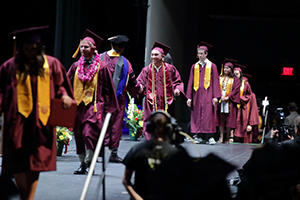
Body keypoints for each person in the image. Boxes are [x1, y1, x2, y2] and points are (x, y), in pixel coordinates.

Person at [0, 26, 74, 200]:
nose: (30, 52)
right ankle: (26, 196)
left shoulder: (52, 64)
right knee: (17, 161)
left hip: (41, 122)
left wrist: (64, 96)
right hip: (16, 123)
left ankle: (28, 197)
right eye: (26, 48)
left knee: (36, 162)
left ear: (39, 47)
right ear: (20, 48)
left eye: (34, 48)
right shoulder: (9, 67)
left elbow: (61, 86)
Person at [67, 29, 117, 174]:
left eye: (86, 47)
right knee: (78, 134)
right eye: (81, 47)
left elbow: (108, 88)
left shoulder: (102, 67)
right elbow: (66, 84)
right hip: (78, 106)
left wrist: (108, 108)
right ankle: (82, 163)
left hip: (95, 106)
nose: (83, 49)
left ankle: (89, 162)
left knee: (89, 133)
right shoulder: (76, 67)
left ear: (94, 49)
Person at [237, 116, 300, 199]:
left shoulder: (288, 146)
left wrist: (271, 139)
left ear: (297, 130)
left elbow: (272, 155)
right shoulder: (292, 144)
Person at [122, 110, 181, 200]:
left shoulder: (136, 150)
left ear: (149, 128)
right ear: (169, 129)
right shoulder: (175, 154)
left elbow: (126, 180)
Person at [100, 35, 141, 163]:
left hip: (99, 99)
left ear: (111, 45)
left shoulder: (99, 58)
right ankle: (113, 153)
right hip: (118, 101)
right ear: (122, 48)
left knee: (98, 124)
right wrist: (139, 90)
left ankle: (96, 152)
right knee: (115, 126)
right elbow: (133, 83)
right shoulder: (126, 63)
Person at [137, 41, 185, 140]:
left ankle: (166, 140)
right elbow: (140, 82)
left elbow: (178, 81)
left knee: (167, 120)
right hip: (151, 102)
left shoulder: (170, 69)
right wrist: (140, 87)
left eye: (156, 55)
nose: (153, 57)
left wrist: (177, 89)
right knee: (149, 119)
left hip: (166, 102)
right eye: (152, 55)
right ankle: (150, 140)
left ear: (162, 56)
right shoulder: (146, 70)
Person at [186, 41, 221, 144]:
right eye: (198, 53)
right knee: (197, 114)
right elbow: (190, 82)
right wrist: (189, 97)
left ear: (206, 54)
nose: (200, 55)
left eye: (202, 53)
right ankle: (199, 136)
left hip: (208, 94)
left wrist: (216, 96)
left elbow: (215, 81)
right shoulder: (194, 66)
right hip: (197, 94)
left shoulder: (212, 66)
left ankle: (210, 137)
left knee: (208, 115)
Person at [217, 58, 240, 143]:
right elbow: (215, 87)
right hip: (221, 101)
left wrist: (228, 97)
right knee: (221, 119)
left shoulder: (235, 79)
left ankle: (228, 137)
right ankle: (221, 137)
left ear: (231, 69)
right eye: (225, 68)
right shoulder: (219, 77)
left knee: (229, 120)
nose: (226, 69)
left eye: (228, 68)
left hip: (229, 101)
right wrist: (218, 96)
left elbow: (236, 90)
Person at [233, 64, 252, 143]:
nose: (235, 76)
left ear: (240, 74)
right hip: (232, 108)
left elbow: (249, 95)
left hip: (241, 108)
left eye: (237, 74)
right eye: (234, 74)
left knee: (240, 128)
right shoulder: (230, 83)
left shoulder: (245, 84)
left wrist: (240, 98)